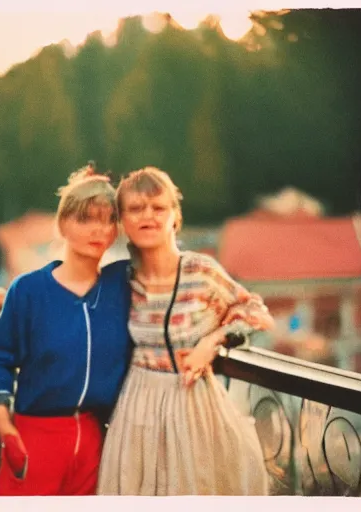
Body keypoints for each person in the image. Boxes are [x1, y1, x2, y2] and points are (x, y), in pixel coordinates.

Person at [96, 166, 275, 496]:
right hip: (138, 407)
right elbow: (65, 294)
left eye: (158, 207)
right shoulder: (120, 279)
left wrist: (213, 341)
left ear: (175, 217)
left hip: (193, 406)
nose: (148, 215)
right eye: (136, 208)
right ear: (122, 221)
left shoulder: (200, 270)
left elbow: (254, 312)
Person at [0, 165, 133, 496]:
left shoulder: (121, 285)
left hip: (96, 441)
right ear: (63, 223)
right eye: (85, 219)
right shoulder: (29, 289)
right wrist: (2, 420)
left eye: (108, 219)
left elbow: (172, 276)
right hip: (34, 435)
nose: (98, 229)